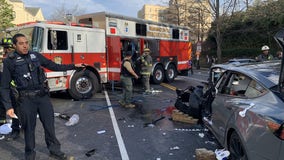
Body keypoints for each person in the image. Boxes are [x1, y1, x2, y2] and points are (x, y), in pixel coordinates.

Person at [0, 33, 85, 160]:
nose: (25, 46)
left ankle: (55, 150)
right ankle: (30, 155)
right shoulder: (9, 61)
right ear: (14, 45)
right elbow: (4, 86)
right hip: (25, 99)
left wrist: (73, 66)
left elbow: (54, 66)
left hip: (42, 97)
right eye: (21, 43)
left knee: (49, 126)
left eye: (26, 43)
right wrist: (8, 106)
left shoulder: (35, 56)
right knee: (29, 130)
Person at [0, 37, 21, 141]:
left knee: (16, 109)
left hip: (15, 89)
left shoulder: (11, 59)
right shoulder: (9, 58)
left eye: (5, 48)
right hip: (12, 88)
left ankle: (16, 130)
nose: (4, 51)